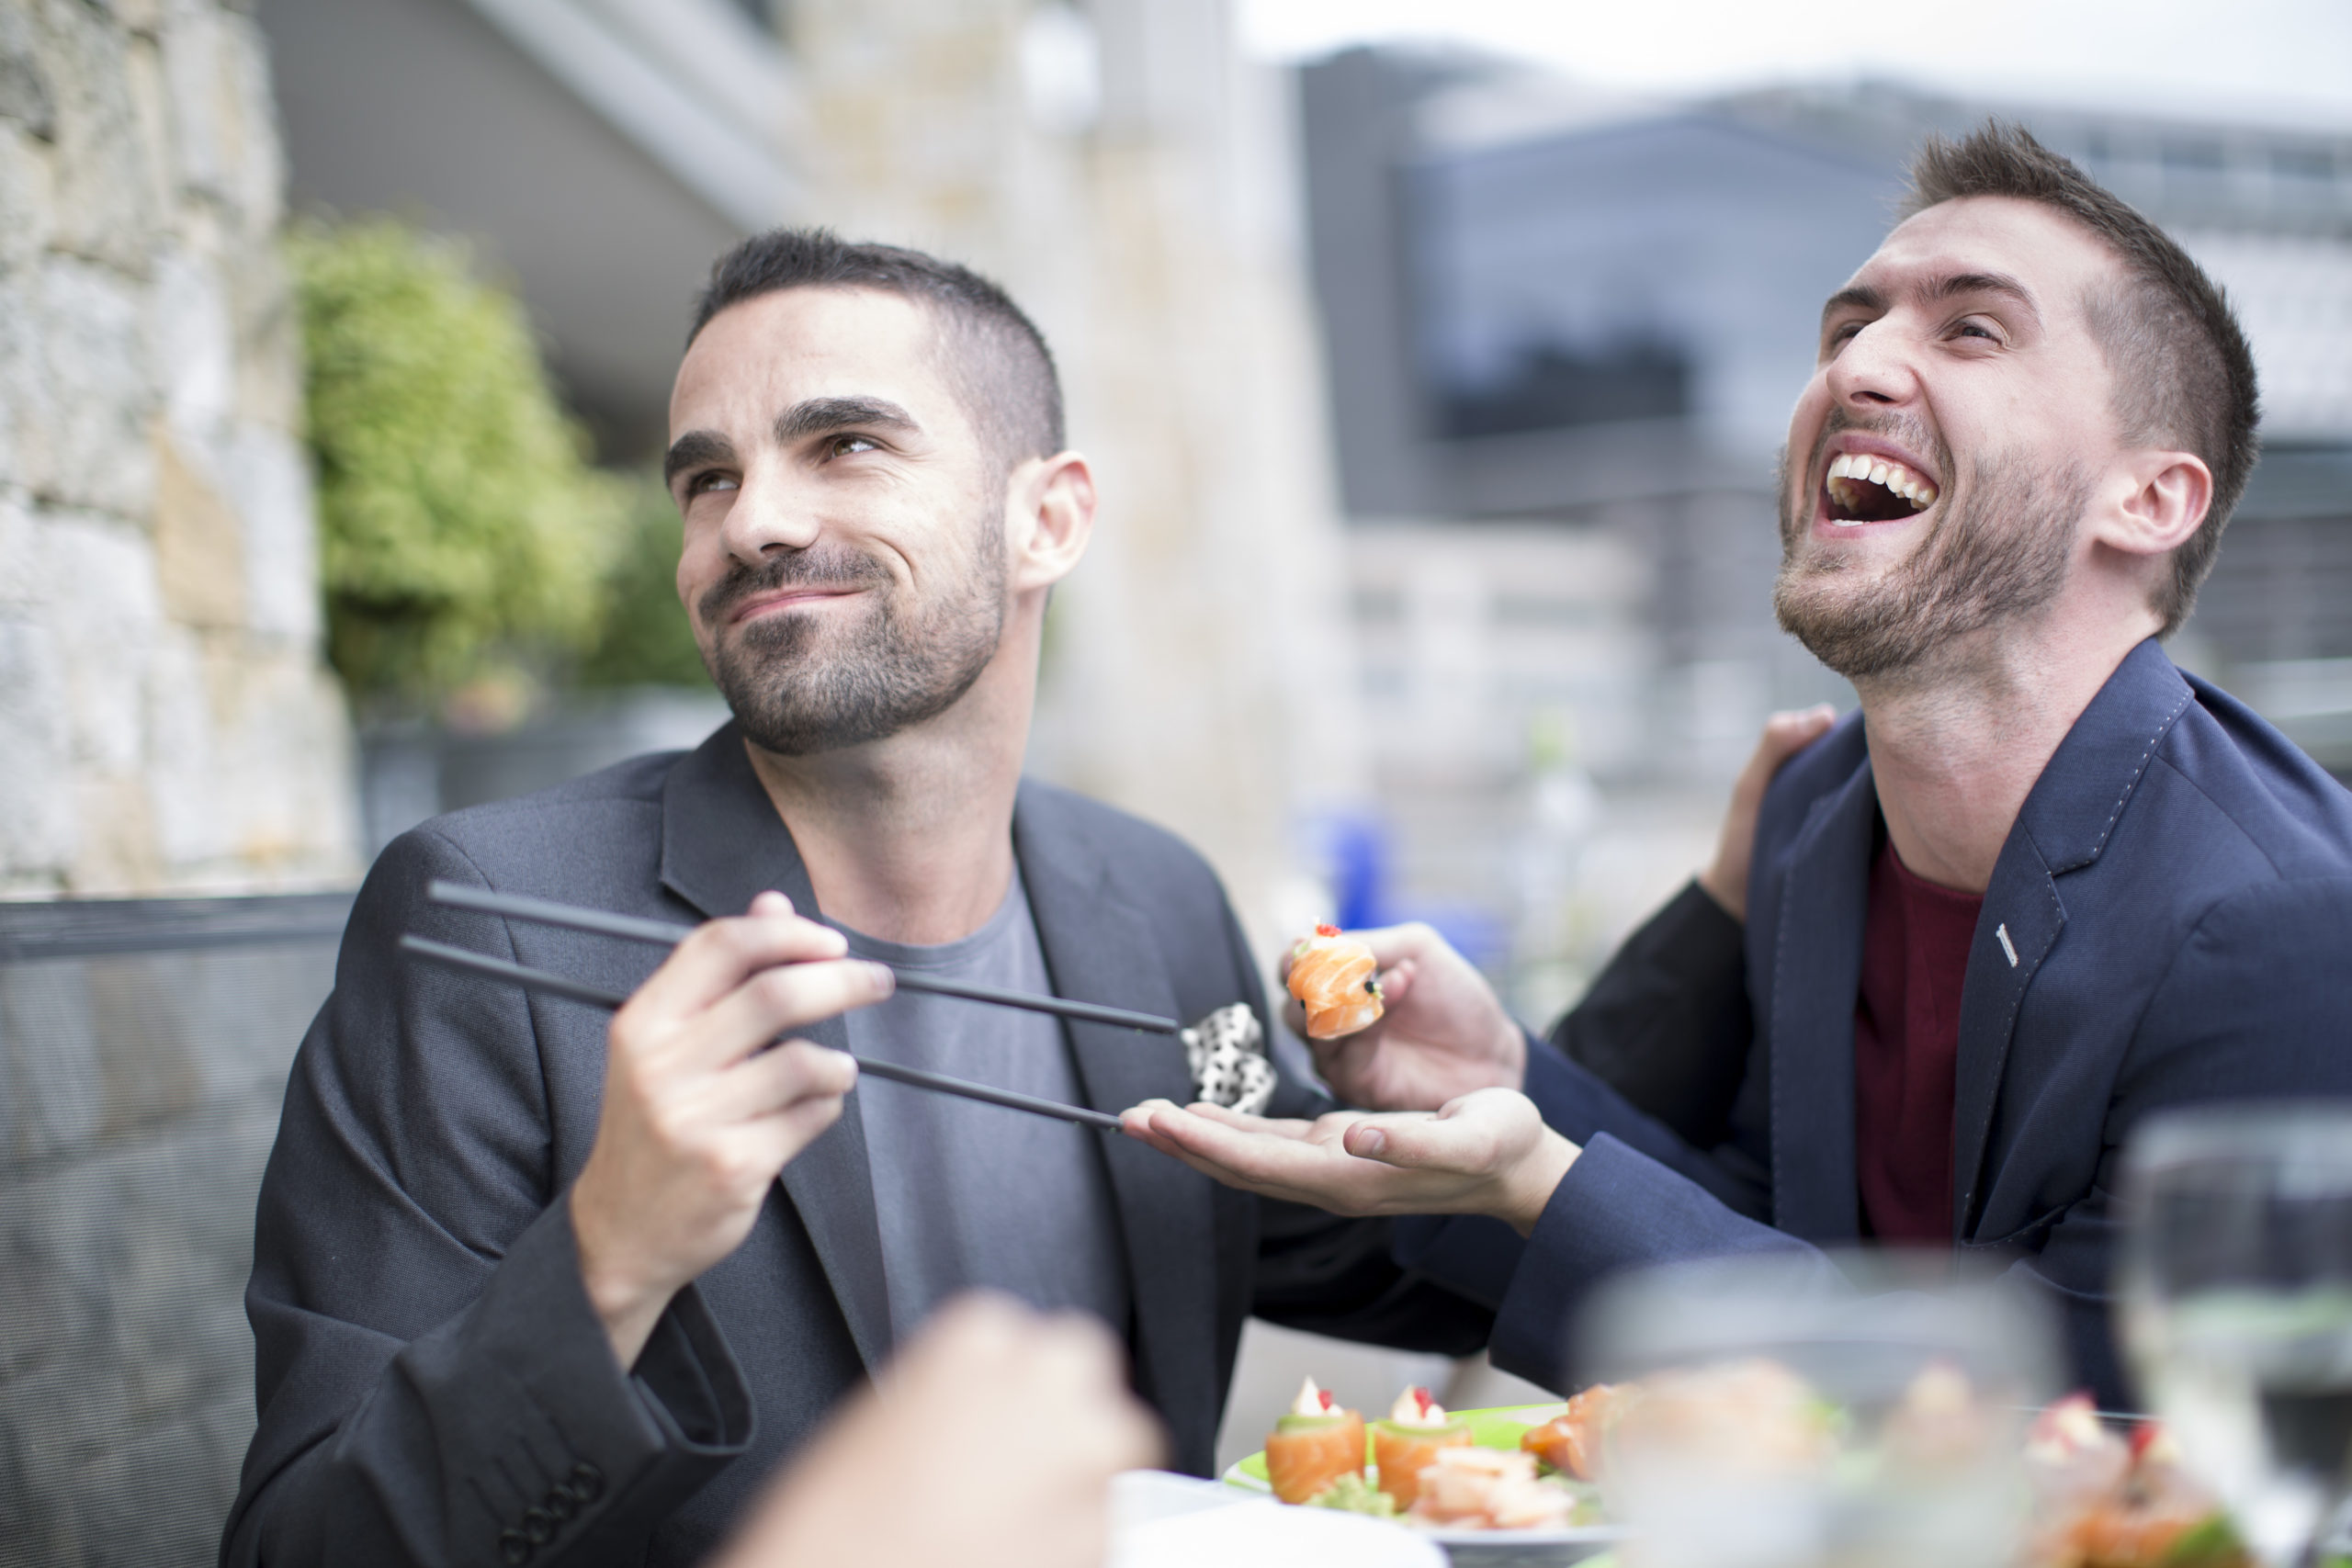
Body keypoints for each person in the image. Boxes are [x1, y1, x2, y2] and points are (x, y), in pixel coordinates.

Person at [222, 233, 1488, 1568]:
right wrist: (608, 1259)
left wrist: (1489, 1116)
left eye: (845, 445)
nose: (751, 522)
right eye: (707, 478)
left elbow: (1355, 1248)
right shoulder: (485, 921)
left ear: (1048, 521)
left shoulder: (1156, 899)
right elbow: (300, 1549)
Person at [1124, 122, 2352, 1409]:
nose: (1856, 365)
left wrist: (1540, 1180)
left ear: (2150, 500)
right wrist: (1505, 1088)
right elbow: (1772, 1229)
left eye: (1972, 330)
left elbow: (2065, 1419)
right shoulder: (1816, 815)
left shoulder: (2283, 925)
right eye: (1847, 328)